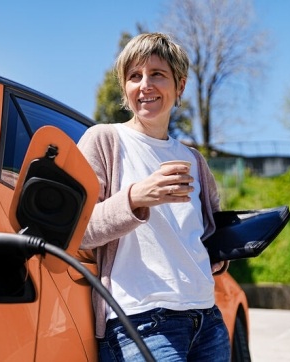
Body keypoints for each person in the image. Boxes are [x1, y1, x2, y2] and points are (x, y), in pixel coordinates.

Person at [77, 32, 231, 361]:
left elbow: (205, 236)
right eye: (134, 76)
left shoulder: (194, 160)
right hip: (140, 322)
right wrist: (135, 197)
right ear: (125, 88)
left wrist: (226, 251)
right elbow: (78, 231)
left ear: (181, 85)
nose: (145, 84)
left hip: (206, 317)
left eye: (157, 74)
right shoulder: (104, 141)